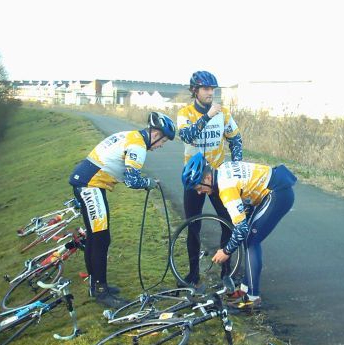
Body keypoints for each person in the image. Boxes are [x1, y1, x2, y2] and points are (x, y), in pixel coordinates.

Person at [69, 111, 176, 308]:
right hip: (90, 186)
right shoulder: (138, 145)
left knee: (96, 237)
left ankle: (96, 285)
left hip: (88, 183)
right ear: (155, 134)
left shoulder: (131, 135)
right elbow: (132, 180)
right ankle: (101, 292)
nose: (161, 146)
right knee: (100, 239)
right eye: (163, 141)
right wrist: (149, 183)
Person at [181, 154, 296, 311]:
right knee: (249, 238)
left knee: (251, 240)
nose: (199, 193)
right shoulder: (222, 169)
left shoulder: (225, 188)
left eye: (199, 188)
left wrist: (226, 251)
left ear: (207, 177)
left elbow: (241, 229)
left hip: (277, 194)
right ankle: (244, 289)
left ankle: (252, 297)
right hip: (275, 188)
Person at [177, 70, 243, 287]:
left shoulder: (223, 112)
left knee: (227, 222)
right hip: (195, 178)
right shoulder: (185, 113)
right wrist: (207, 117)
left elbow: (236, 139)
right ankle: (193, 274)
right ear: (195, 91)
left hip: (218, 177)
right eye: (206, 89)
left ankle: (227, 272)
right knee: (193, 226)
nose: (210, 93)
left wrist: (236, 165)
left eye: (213, 89)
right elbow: (187, 136)